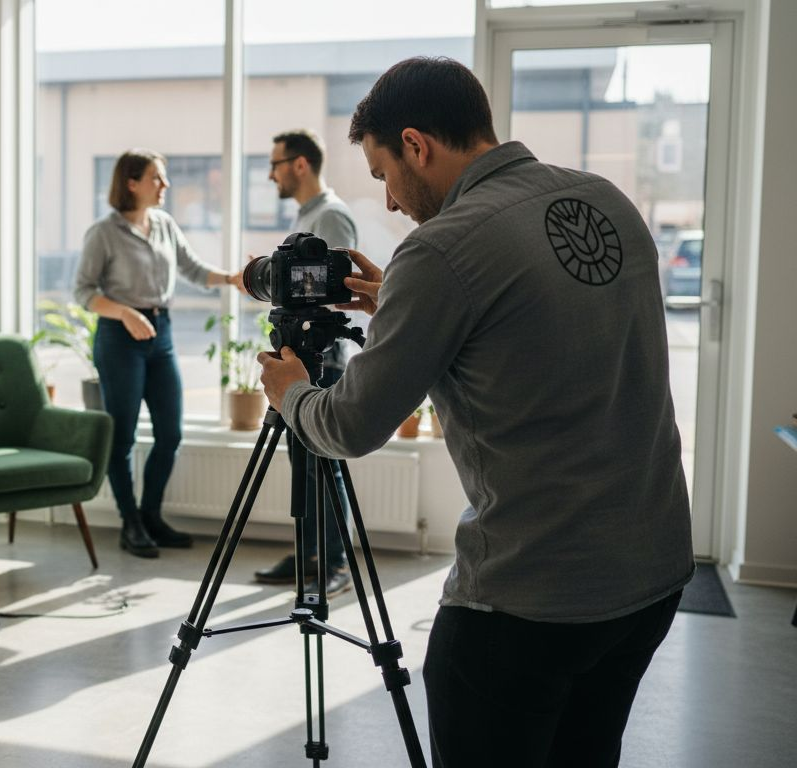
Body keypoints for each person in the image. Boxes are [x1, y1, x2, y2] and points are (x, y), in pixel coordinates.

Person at [258, 58, 693, 767]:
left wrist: (291, 393)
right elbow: (532, 318)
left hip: (530, 603)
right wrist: (400, 301)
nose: (392, 203)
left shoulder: (440, 250)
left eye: (384, 176)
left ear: (417, 145)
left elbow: (351, 426)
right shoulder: (606, 200)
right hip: (649, 579)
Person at [75, 149, 245, 559]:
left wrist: (232, 279)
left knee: (171, 433)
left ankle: (151, 516)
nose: (165, 185)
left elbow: (190, 267)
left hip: (161, 333)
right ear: (131, 182)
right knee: (124, 435)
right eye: (157, 178)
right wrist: (125, 312)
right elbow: (83, 292)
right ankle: (129, 521)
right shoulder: (103, 233)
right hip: (119, 337)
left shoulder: (165, 224)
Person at [252, 129, 359, 597]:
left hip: (325, 360)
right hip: (305, 355)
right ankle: (309, 553)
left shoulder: (330, 216)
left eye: (275, 164)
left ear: (299, 164)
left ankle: (334, 564)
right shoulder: (309, 215)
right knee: (303, 463)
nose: (271, 173)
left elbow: (331, 289)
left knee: (324, 462)